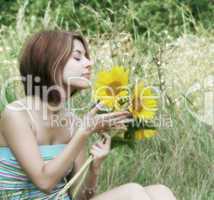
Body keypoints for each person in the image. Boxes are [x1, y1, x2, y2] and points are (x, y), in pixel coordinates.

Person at [0, 30, 176, 200]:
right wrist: (83, 132)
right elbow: (44, 182)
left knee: (161, 192)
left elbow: (80, 197)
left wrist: (94, 167)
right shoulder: (17, 115)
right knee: (132, 192)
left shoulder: (73, 122)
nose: (89, 63)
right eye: (77, 57)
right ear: (49, 61)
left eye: (86, 57)